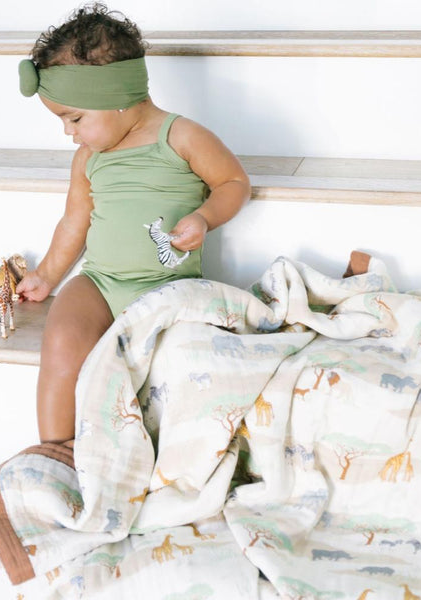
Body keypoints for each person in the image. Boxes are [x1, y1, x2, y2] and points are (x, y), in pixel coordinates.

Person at [16, 3, 250, 445]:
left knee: (186, 363)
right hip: (100, 283)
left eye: (75, 118)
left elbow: (233, 182)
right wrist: (47, 275)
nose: (70, 133)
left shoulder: (180, 137)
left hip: (166, 290)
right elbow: (74, 222)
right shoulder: (88, 157)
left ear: (117, 98)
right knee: (63, 338)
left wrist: (204, 217)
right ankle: (55, 452)